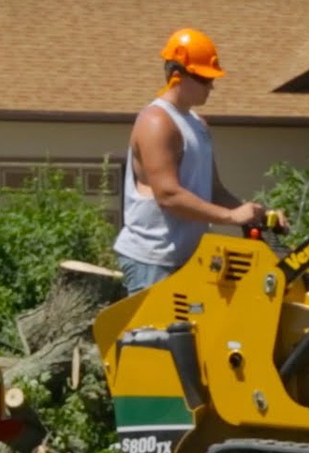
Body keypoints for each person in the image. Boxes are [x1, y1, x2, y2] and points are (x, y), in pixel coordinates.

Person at [113, 27, 287, 295]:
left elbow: (214, 190)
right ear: (177, 76)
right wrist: (231, 217)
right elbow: (168, 195)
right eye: (204, 79)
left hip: (190, 257)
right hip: (153, 261)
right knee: (156, 337)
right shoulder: (156, 122)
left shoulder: (197, 124)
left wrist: (258, 213)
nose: (211, 86)